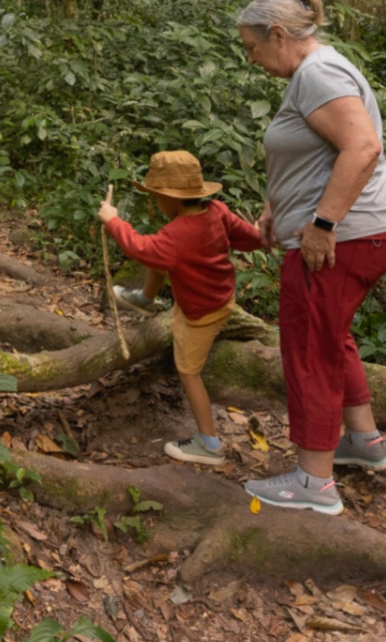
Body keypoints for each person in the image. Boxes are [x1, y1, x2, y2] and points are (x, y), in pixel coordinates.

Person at [236, 0, 386, 516]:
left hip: (348, 236)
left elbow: (362, 146)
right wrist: (275, 205)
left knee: (310, 347)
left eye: (252, 47)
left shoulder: (318, 74)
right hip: (363, 232)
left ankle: (314, 482)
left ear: (279, 35)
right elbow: (313, 153)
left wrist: (322, 224)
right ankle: (362, 441)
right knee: (330, 335)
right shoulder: (312, 72)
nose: (250, 58)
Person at [98, 151, 267, 466]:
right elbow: (248, 238)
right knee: (159, 257)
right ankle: (145, 299)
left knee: (189, 371)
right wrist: (264, 234)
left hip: (202, 313)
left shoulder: (175, 237)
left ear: (169, 199)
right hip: (221, 296)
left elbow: (138, 247)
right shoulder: (216, 210)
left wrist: (113, 221)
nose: (155, 201)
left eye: (156, 196)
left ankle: (210, 444)